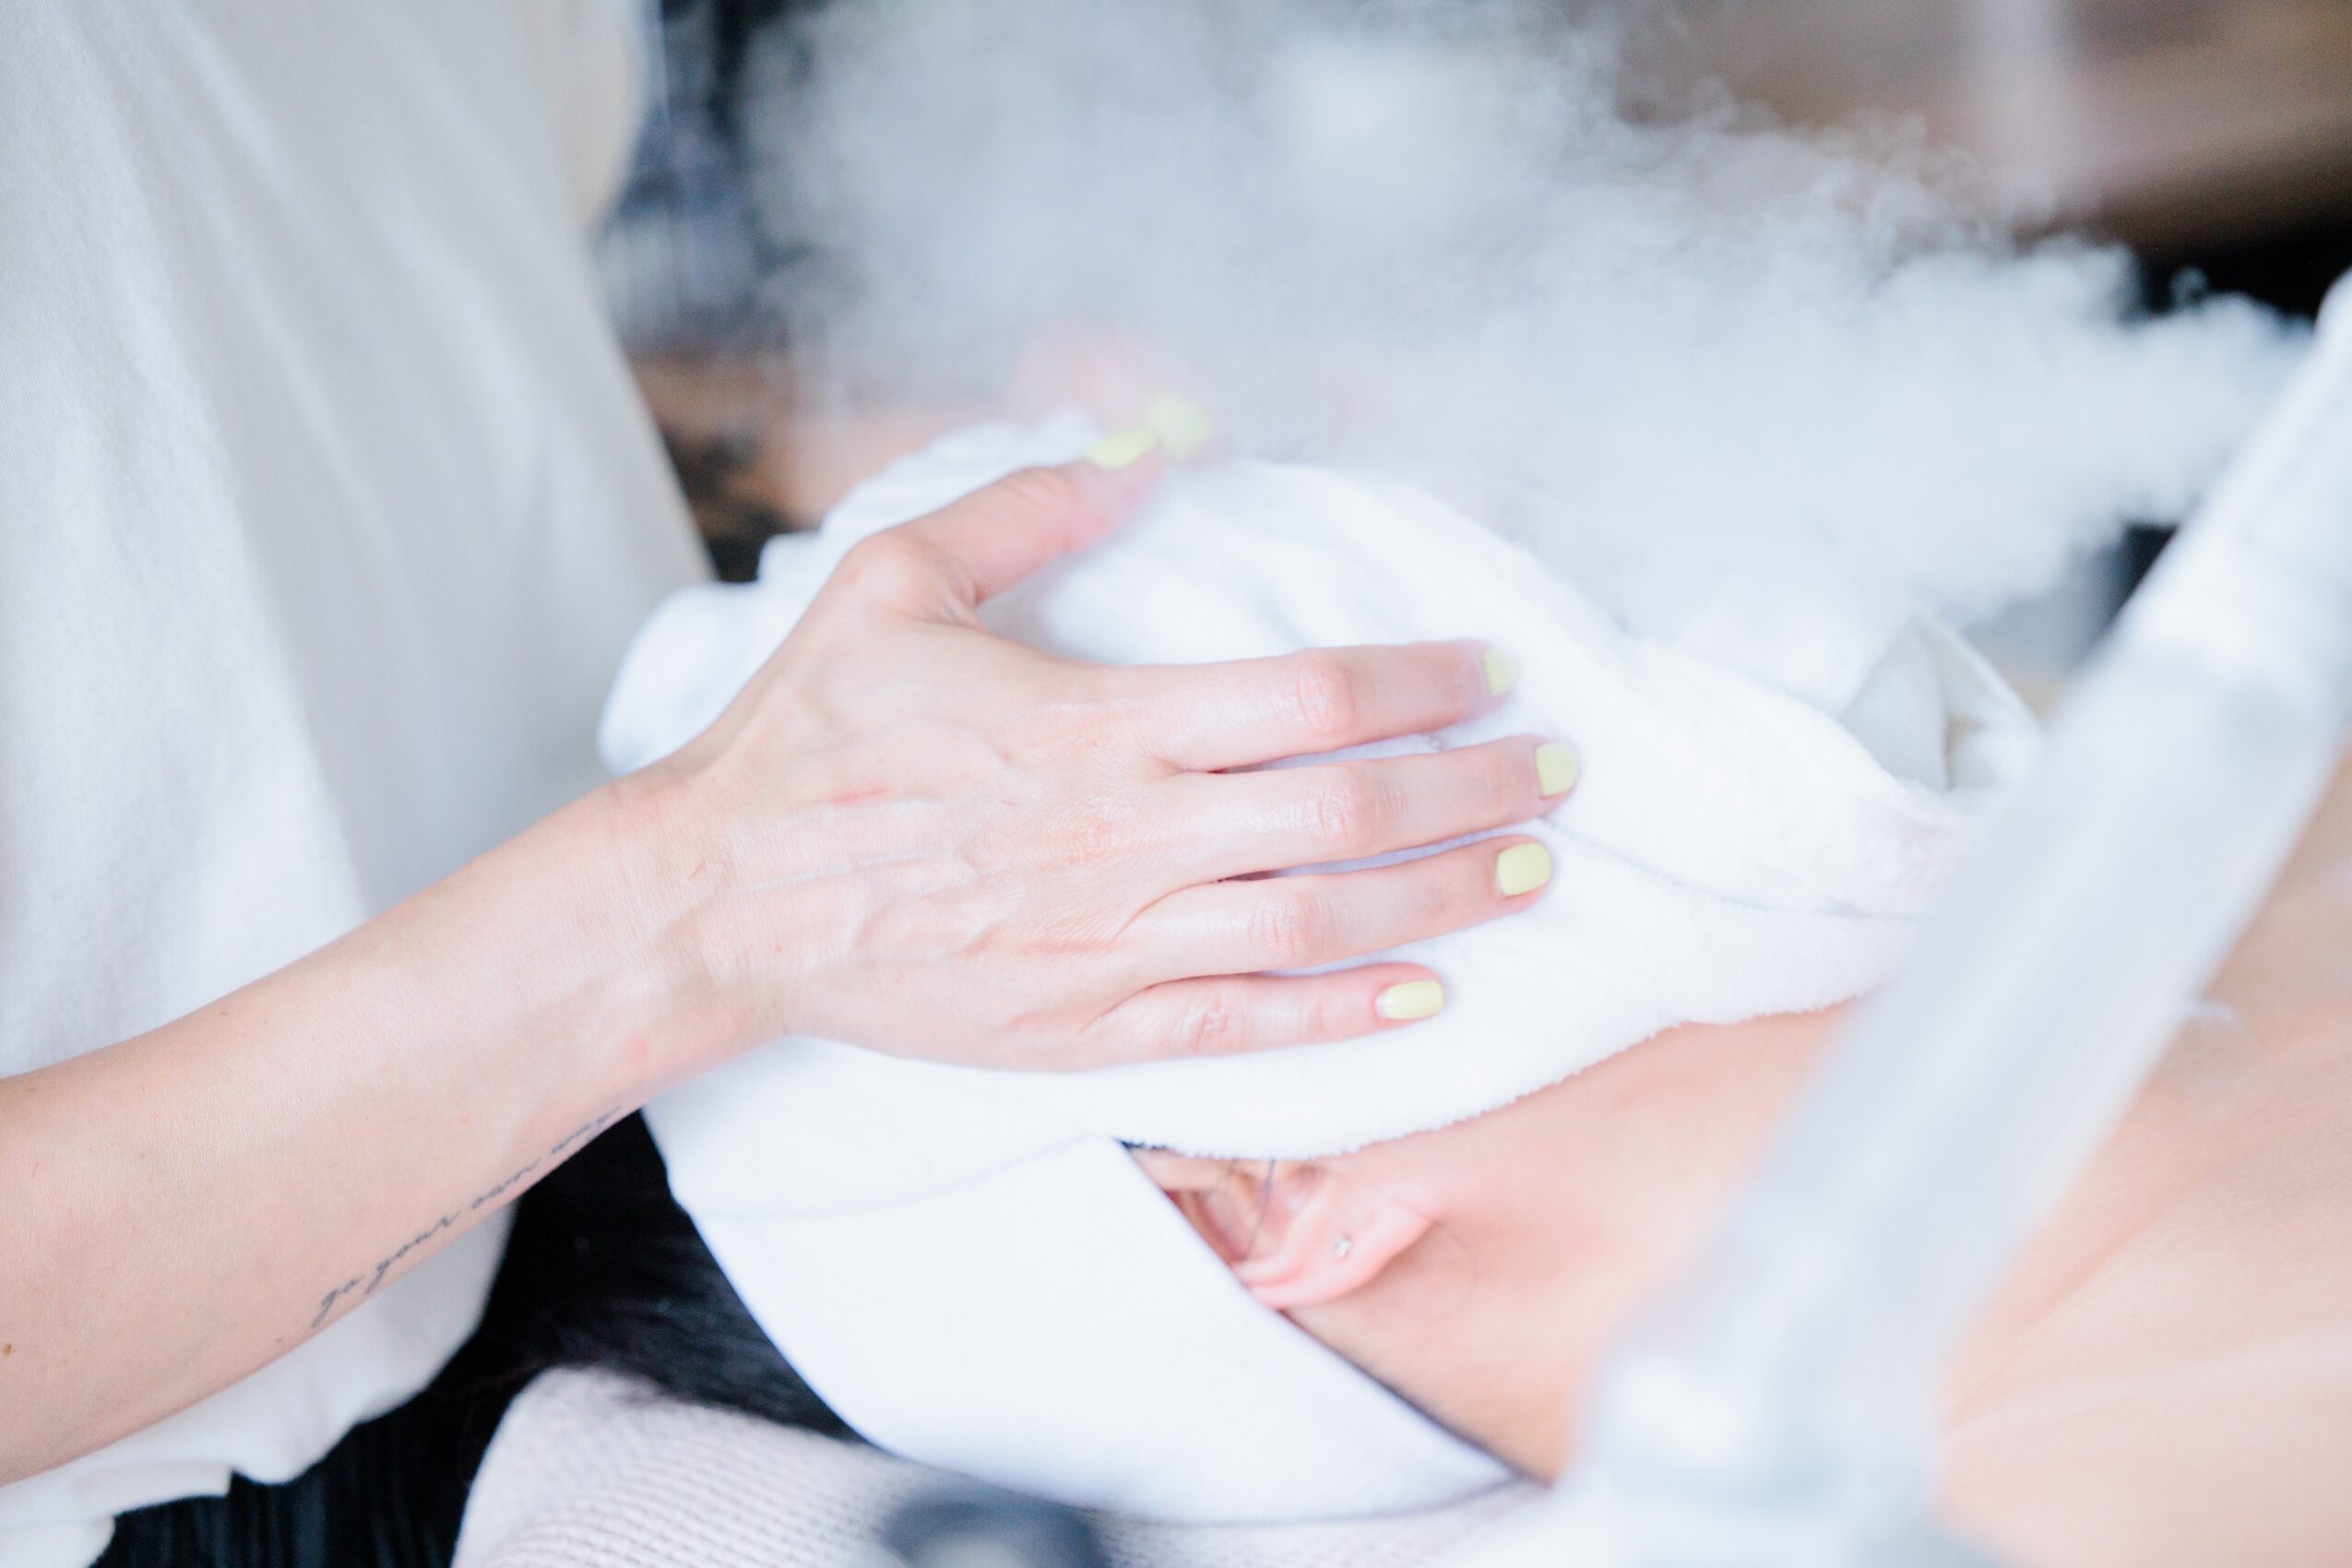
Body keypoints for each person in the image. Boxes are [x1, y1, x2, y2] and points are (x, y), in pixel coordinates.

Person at [0, 7, 1568, 1564]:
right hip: (217, 1444)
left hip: (676, 1061)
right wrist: (706, 902)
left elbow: (326, 378)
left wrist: (1011, 485)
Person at [534, 414, 2352, 1568]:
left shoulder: (2265, 805)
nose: (1506, 493)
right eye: (1268, 719)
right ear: (1262, 1194)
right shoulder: (2093, 1500)